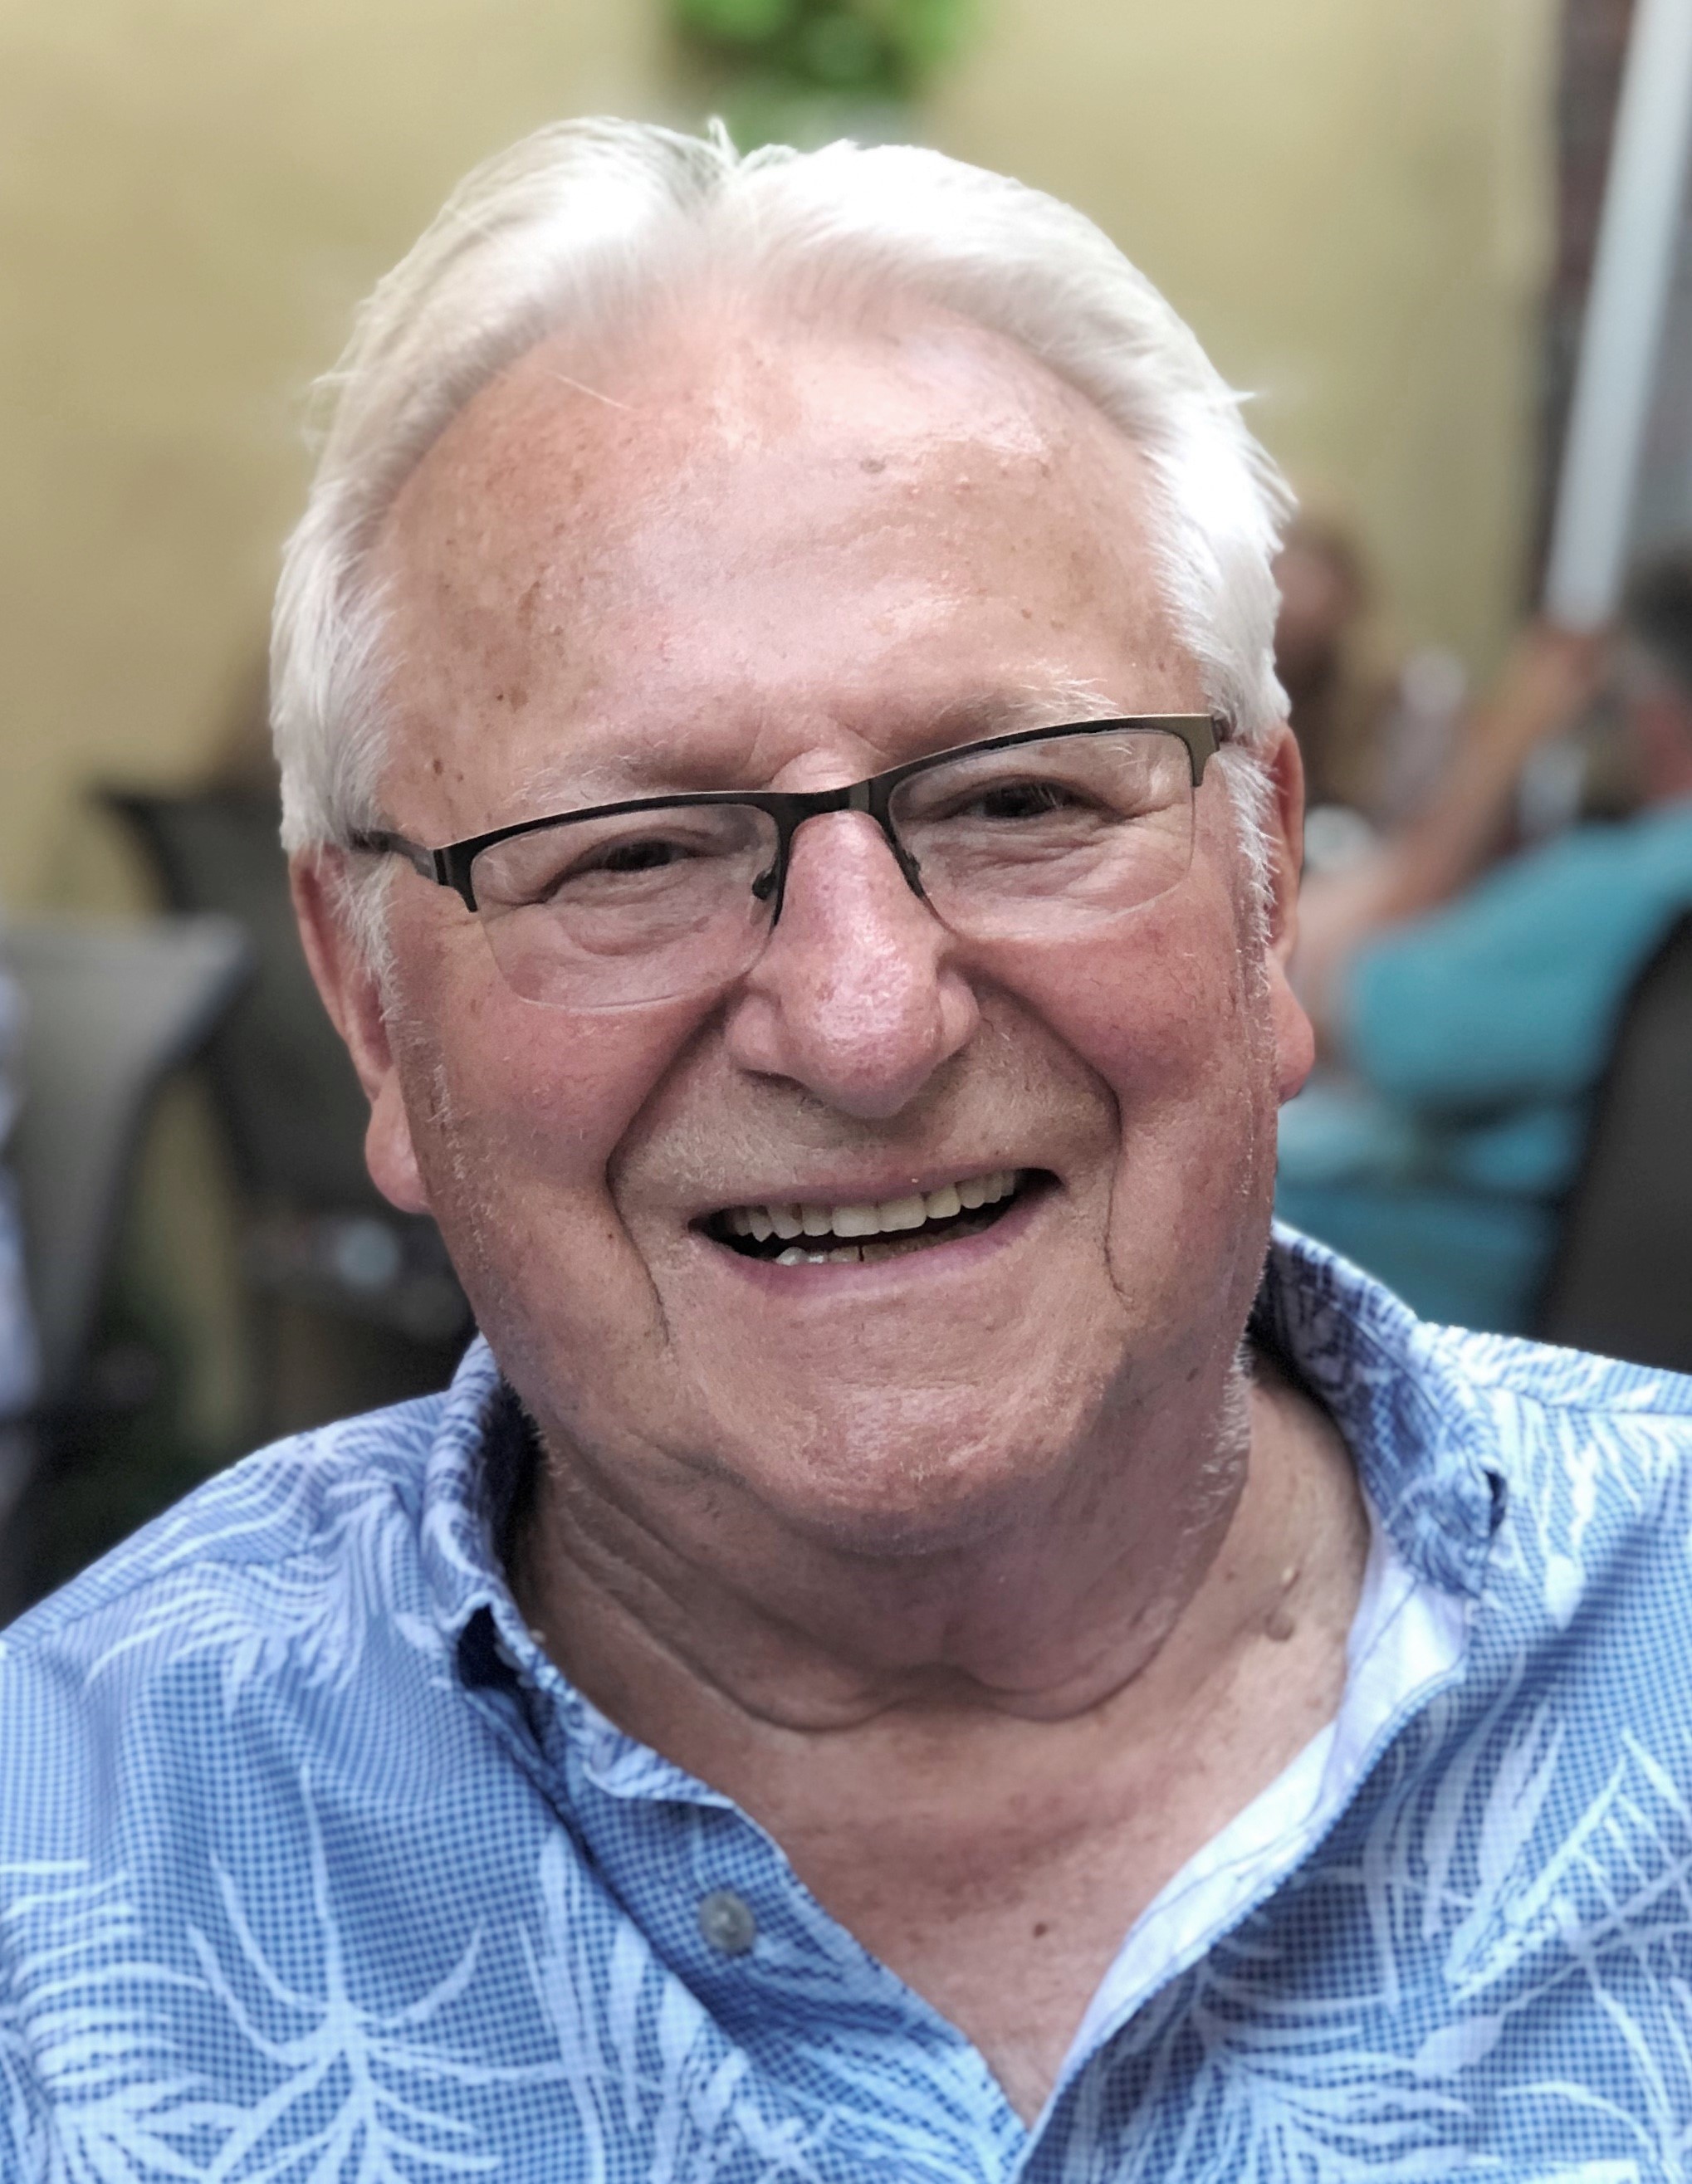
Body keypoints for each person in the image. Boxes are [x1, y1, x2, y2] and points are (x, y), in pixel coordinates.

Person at [2, 120, 1692, 2182]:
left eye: (1018, 801)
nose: (867, 1020)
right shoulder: (61, 1881)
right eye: (630, 853)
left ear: (1262, 879)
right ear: (368, 996)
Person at [1279, 552, 1692, 1333]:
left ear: (1652, 715)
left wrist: (1507, 736)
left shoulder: (1629, 890)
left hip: (1419, 1289)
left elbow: (1334, 1005)